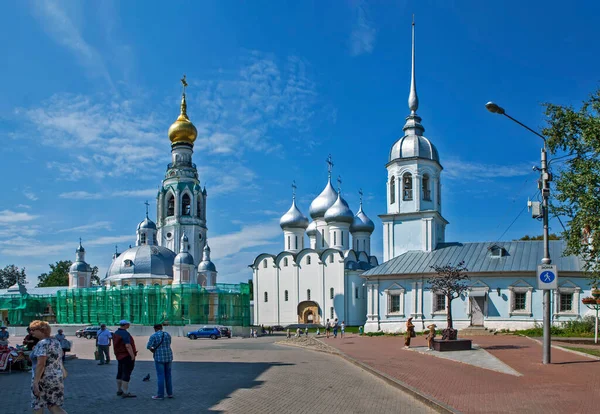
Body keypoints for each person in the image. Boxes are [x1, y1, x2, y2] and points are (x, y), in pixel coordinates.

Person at [29, 320, 67, 413]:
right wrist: (63, 371)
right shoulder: (56, 342)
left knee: (38, 406)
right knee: (53, 406)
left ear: (42, 330)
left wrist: (35, 383)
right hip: (56, 378)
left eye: (33, 329)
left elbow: (41, 364)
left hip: (43, 379)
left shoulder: (42, 343)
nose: (31, 332)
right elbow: (58, 358)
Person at [147, 324, 173, 400]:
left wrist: (153, 350)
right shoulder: (167, 334)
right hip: (168, 356)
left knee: (160, 376)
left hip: (159, 357)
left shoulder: (153, 336)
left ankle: (160, 394)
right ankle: (170, 393)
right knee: (168, 376)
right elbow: (169, 344)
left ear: (154, 328)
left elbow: (149, 346)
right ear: (161, 328)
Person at [113, 320, 137, 398]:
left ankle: (119, 390)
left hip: (119, 356)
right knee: (126, 373)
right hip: (126, 356)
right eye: (128, 324)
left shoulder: (116, 332)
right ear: (126, 325)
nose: (129, 325)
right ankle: (125, 392)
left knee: (119, 372)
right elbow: (127, 345)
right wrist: (132, 355)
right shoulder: (125, 333)